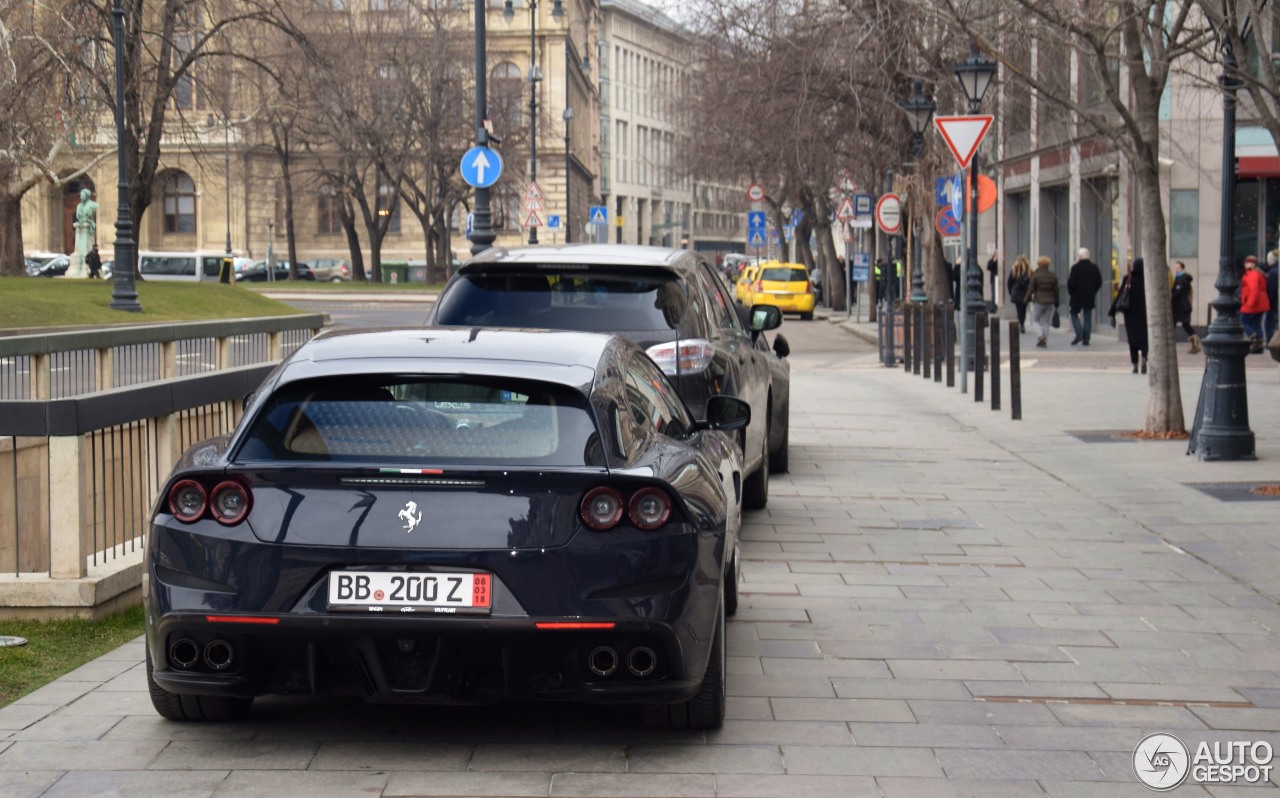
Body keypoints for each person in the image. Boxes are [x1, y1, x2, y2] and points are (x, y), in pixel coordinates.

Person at [1111, 259, 1148, 373]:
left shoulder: (1128, 278)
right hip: (1144, 315)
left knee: (1132, 340)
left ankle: (1135, 365)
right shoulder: (1148, 279)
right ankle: (1144, 358)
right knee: (1144, 339)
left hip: (1130, 316)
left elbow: (1121, 295)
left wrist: (1112, 311)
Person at [1066, 247, 1103, 346]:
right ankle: (1086, 338)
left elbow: (1070, 283)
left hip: (1076, 296)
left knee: (1073, 313)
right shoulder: (1094, 267)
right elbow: (1099, 282)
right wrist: (1093, 290)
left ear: (1080, 256)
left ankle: (1079, 333)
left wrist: (1071, 292)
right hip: (1089, 295)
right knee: (1088, 317)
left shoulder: (1075, 268)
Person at [1026, 255, 1059, 348]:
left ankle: (1040, 335)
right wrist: (1057, 302)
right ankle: (1044, 338)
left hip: (1039, 301)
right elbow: (1056, 290)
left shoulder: (1036, 275)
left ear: (1038, 264)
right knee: (1046, 321)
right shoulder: (1053, 275)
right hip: (1050, 301)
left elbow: (1030, 288)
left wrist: (1026, 299)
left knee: (1035, 320)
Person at [1240, 254, 1270, 353]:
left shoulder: (1252, 274)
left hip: (1253, 304)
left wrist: (1249, 304)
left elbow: (1254, 291)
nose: (1246, 264)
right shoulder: (1259, 274)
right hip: (1261, 304)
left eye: (1248, 262)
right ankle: (1259, 346)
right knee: (1256, 324)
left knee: (1242, 322)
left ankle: (1254, 338)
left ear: (1252, 264)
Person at [1171, 260, 1198, 354]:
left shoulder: (1181, 279)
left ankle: (1170, 345)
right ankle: (1195, 343)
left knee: (1173, 325)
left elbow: (1177, 293)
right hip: (1184, 306)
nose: (1176, 269)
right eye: (1175, 267)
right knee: (1185, 325)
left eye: (1178, 267)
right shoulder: (1182, 278)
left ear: (1182, 268)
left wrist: (1170, 294)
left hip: (1180, 307)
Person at [1006, 254, 1031, 333]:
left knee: (1019, 310)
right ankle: (1022, 323)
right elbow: (1032, 282)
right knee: (1023, 309)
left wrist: (1011, 291)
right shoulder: (1029, 270)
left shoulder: (1014, 270)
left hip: (1016, 293)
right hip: (1025, 293)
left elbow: (1009, 282)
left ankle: (1021, 324)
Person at [1265, 250, 1278, 347]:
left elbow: (1271, 289)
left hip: (1274, 303)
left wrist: (1268, 300)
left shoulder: (1273, 272)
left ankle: (1271, 341)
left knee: (1270, 323)